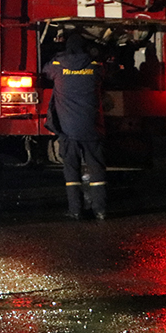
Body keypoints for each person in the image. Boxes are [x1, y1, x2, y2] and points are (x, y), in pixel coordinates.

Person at [42, 33, 107, 220]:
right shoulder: (94, 66)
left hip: (68, 131)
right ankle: (101, 210)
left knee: (71, 171)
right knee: (96, 169)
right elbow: (105, 74)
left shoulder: (58, 66)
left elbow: (45, 71)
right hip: (92, 129)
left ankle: (76, 211)